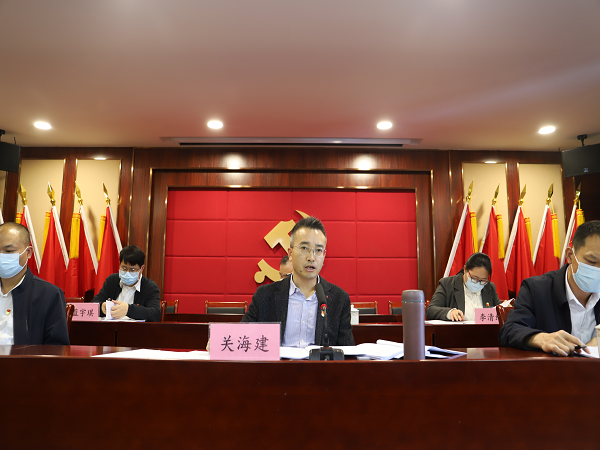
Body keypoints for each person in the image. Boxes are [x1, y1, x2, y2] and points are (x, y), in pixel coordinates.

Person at [241, 216, 354, 347]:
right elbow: (241, 338)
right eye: (304, 248)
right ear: (290, 254)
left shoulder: (339, 299)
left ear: (324, 255)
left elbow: (347, 351)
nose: (311, 257)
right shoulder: (265, 296)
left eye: (318, 250)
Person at [499, 220, 600, 356]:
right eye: (592, 261)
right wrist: (541, 338)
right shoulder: (536, 289)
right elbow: (509, 331)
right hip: (550, 368)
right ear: (570, 256)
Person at [0, 222, 69, 345]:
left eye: (9, 251)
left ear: (28, 252)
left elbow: (57, 348)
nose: (1, 256)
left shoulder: (49, 294)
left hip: (25, 358)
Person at [93, 245, 160, 322]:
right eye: (124, 268)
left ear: (141, 269)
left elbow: (155, 314)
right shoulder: (112, 281)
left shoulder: (150, 287)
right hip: (109, 327)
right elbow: (93, 305)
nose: (127, 273)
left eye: (132, 270)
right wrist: (101, 307)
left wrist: (128, 310)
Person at [427, 252, 500, 321]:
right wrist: (450, 312)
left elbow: (499, 312)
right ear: (465, 270)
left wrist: (504, 308)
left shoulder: (489, 287)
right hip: (457, 330)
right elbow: (431, 310)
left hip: (484, 330)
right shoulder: (448, 284)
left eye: (483, 280)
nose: (478, 283)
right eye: (474, 278)